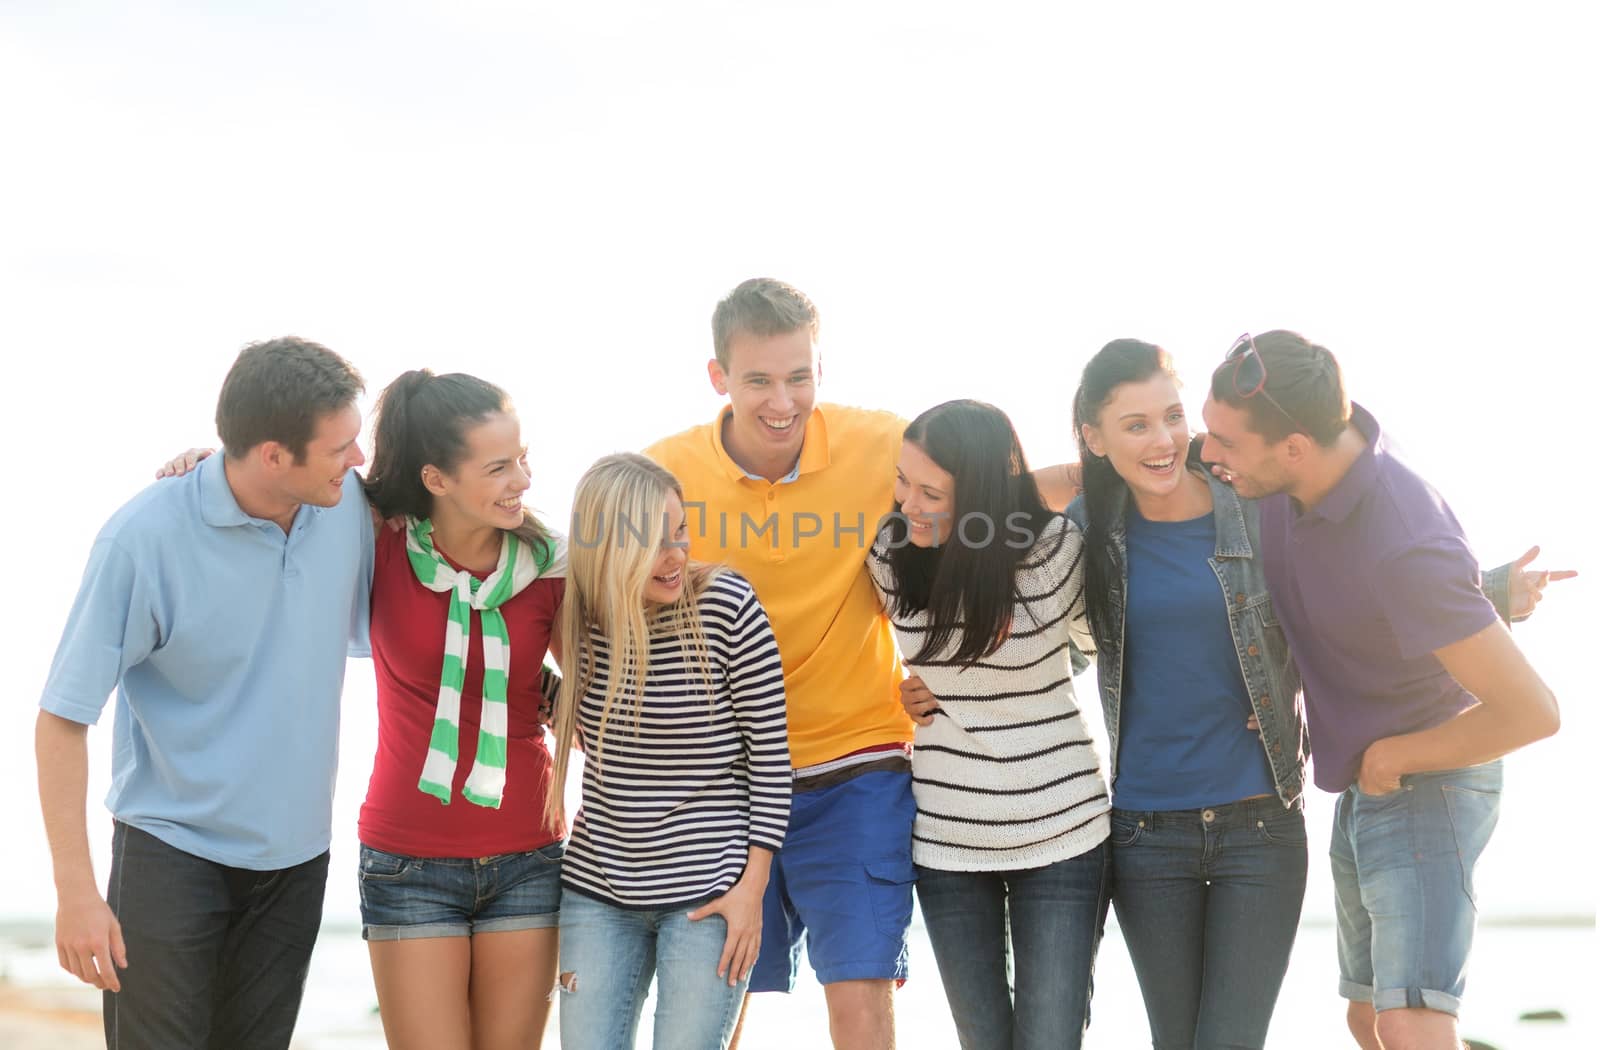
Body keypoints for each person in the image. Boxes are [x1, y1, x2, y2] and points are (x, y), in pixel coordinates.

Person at [645, 278, 1081, 1050]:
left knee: (859, 996)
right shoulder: (662, 475)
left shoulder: (884, 445)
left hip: (858, 768)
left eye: (800, 377)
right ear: (718, 377)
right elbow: (590, 586)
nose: (783, 402)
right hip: (724, 779)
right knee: (710, 1005)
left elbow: (998, 491)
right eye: (758, 381)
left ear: (821, 367)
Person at [1199, 331, 1562, 1050]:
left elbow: (1533, 712)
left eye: (1223, 442)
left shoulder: (1406, 540)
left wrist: (1396, 757)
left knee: (1409, 1020)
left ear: (1294, 447)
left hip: (1429, 777)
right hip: (1368, 780)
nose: (1207, 455)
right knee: (1368, 1017)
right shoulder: (1293, 466)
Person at [36, 337, 371, 1050]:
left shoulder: (347, 507)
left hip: (296, 860)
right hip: (172, 854)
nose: (360, 459)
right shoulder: (143, 538)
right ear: (274, 455)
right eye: (341, 445)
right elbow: (62, 718)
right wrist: (76, 893)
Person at [865, 400, 1109, 1050]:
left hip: (1063, 832)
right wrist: (900, 691)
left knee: (1049, 1040)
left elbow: (1096, 646)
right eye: (902, 480)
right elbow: (841, 648)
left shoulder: (1057, 550)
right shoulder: (890, 555)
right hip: (948, 842)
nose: (908, 502)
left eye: (931, 492)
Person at [546, 453, 790, 1050]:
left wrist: (752, 890)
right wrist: (546, 702)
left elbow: (771, 756)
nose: (676, 553)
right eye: (653, 542)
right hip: (597, 890)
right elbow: (541, 691)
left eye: (680, 532)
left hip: (710, 895)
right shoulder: (577, 617)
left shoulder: (727, 605)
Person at [356, 371, 568, 1050]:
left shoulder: (551, 565)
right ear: (437, 479)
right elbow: (288, 489)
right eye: (500, 467)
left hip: (529, 857)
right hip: (407, 861)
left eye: (524, 459)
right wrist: (203, 466)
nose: (524, 480)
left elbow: (593, 701)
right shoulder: (378, 543)